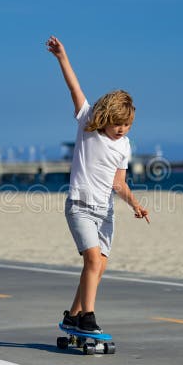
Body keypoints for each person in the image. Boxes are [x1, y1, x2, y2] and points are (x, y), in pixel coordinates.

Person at [46, 35, 150, 334]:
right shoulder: (87, 124)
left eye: (127, 125)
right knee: (92, 260)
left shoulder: (124, 146)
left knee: (98, 267)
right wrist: (62, 57)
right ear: (104, 117)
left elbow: (119, 183)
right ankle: (88, 317)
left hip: (104, 211)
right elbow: (74, 88)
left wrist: (136, 205)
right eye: (117, 123)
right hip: (79, 206)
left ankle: (73, 317)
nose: (122, 129)